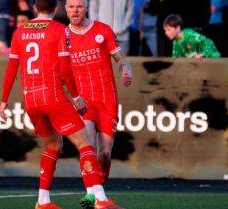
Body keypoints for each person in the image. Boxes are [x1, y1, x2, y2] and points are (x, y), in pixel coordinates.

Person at [0, 1, 123, 209]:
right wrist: (75, 96)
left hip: (31, 99)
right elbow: (65, 68)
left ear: (36, 8)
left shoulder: (20, 32)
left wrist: (3, 101)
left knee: (54, 144)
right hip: (53, 96)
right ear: (57, 9)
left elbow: (12, 67)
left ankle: (43, 201)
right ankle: (100, 200)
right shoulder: (60, 30)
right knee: (85, 143)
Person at [65, 0, 133, 208]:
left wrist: (125, 69)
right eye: (71, 7)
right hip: (83, 102)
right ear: (65, 9)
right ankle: (92, 195)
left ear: (86, 8)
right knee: (88, 149)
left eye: (79, 6)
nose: (75, 10)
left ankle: (99, 187)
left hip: (106, 99)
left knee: (104, 155)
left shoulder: (103, 30)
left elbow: (120, 58)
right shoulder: (63, 36)